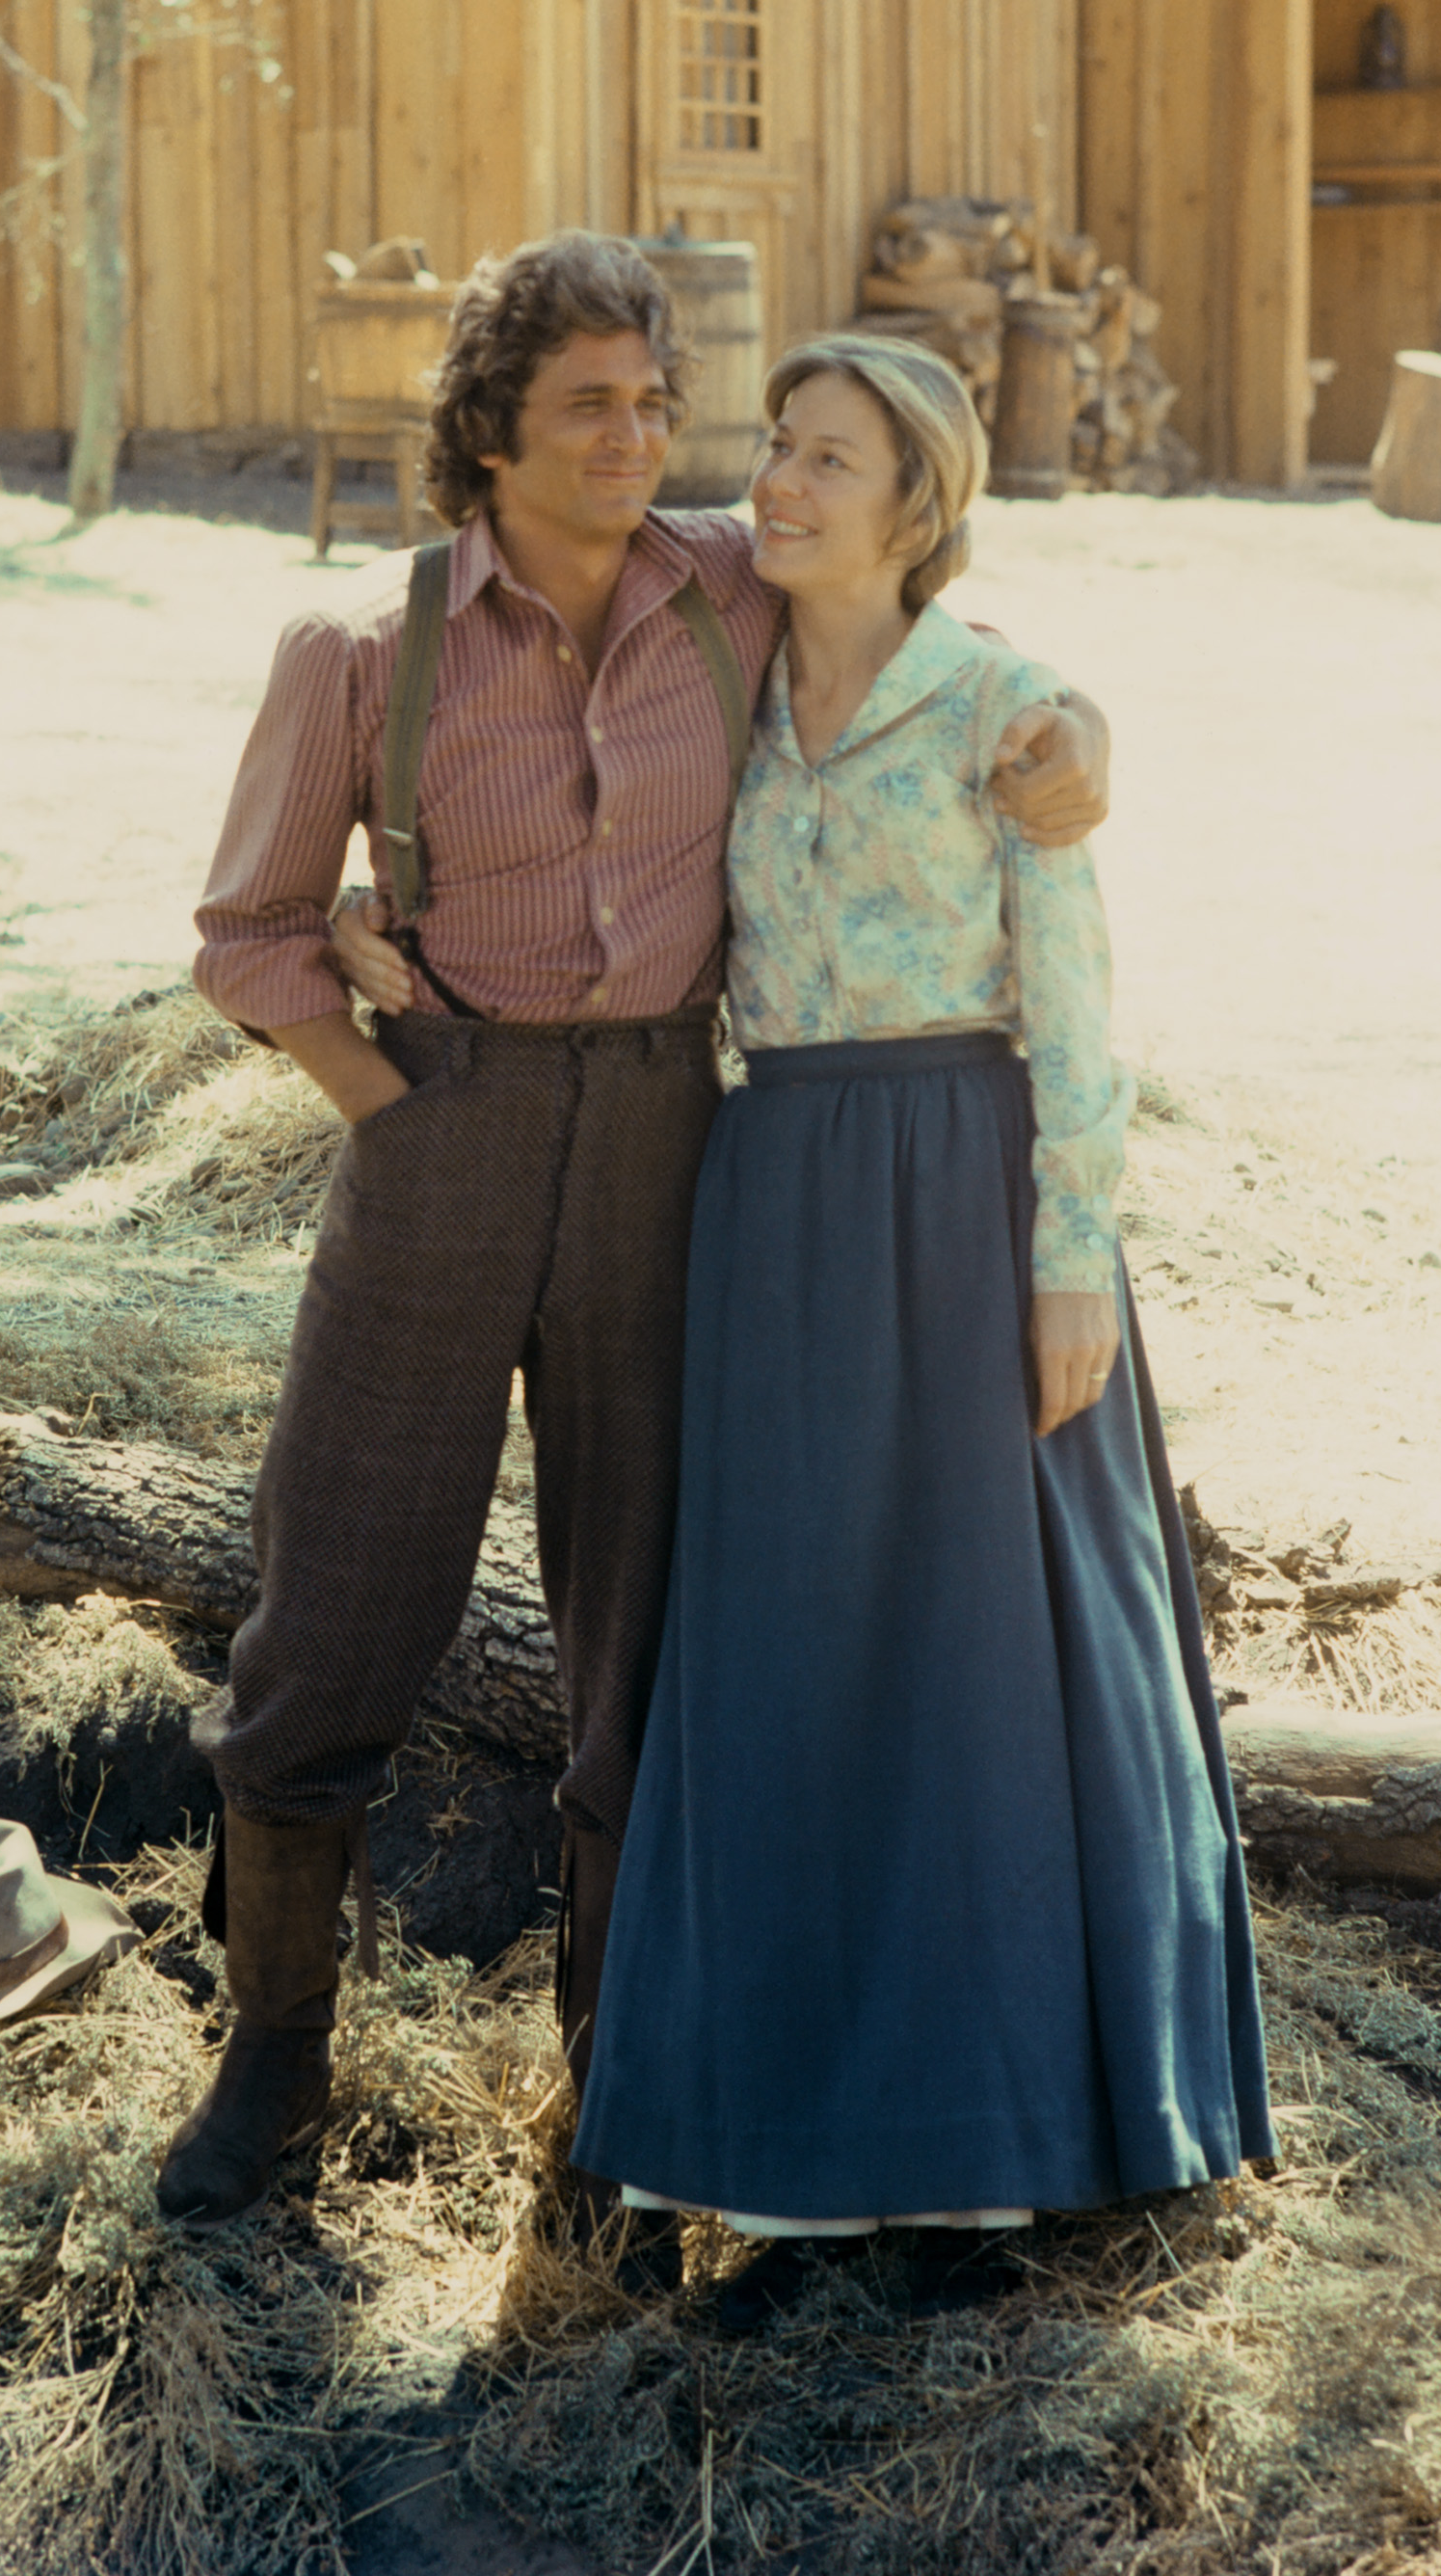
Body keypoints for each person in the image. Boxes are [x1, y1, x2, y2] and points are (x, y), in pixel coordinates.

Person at [158, 234, 1111, 2238]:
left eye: (654, 400)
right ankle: (271, 2061)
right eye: (587, 402)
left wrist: (1071, 734)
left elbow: (920, 601)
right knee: (334, 1594)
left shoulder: (727, 588)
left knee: (646, 1628)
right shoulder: (363, 646)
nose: (637, 438)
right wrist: (388, 1105)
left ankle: (623, 2086)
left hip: (677, 1146)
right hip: (441, 1135)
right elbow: (247, 935)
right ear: (487, 428)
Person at [566, 333, 1277, 2330]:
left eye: (826, 458)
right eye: (772, 446)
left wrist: (1072, 1256)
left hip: (963, 1197)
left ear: (917, 504)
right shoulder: (717, 669)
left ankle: (980, 2173)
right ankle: (793, 2190)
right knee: (793, 1655)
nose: (773, 481)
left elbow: (1073, 1001)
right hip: (776, 1197)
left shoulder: (1001, 707)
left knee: (973, 1659)